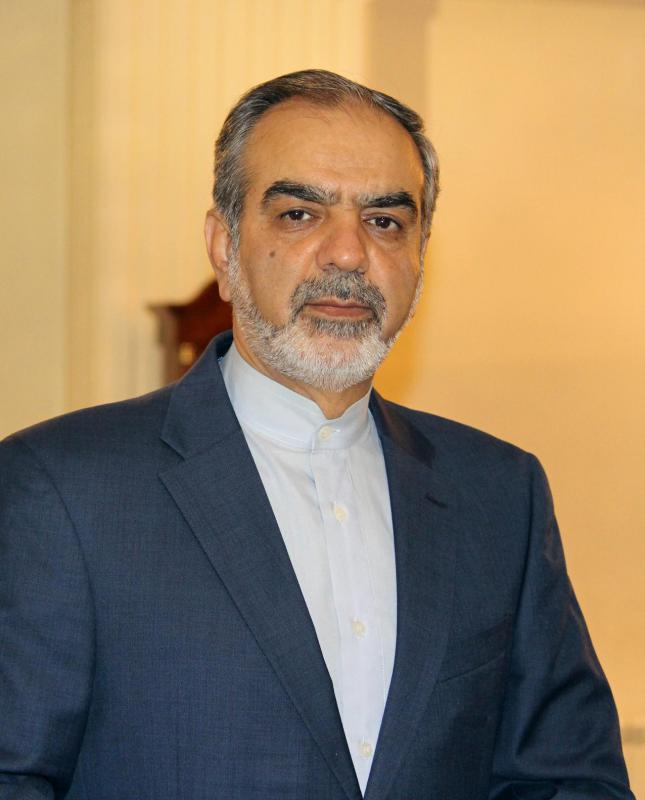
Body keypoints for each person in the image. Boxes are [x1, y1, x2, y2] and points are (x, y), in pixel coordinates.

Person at [0, 69, 633, 800]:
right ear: (224, 248)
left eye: (385, 221)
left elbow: (566, 780)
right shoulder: (60, 489)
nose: (348, 254)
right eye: (300, 214)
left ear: (420, 258)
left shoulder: (498, 493)